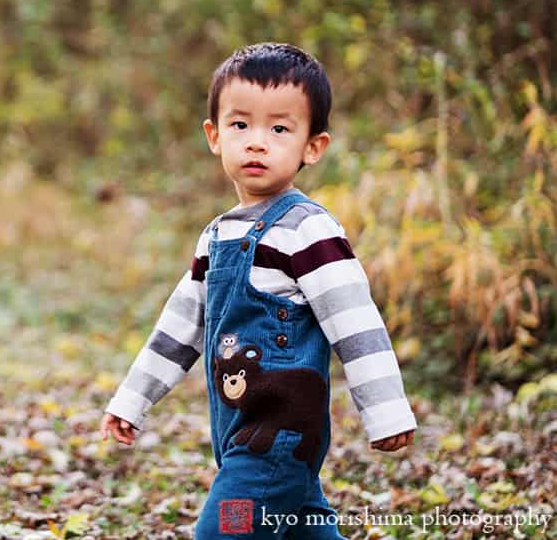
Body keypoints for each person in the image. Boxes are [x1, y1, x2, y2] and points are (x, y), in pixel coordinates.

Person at [99, 42, 417, 539]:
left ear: (313, 146)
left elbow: (356, 323)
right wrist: (132, 399)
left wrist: (386, 410)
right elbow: (180, 329)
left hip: (278, 439)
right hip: (238, 433)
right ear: (214, 135)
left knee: (222, 533)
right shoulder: (215, 237)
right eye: (240, 125)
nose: (256, 142)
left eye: (280, 128)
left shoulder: (308, 232)